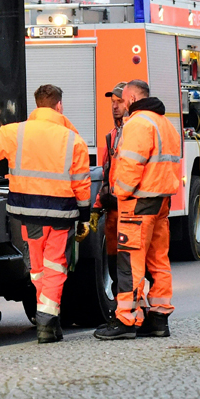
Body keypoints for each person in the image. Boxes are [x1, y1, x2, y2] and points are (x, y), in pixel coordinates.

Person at [0, 84, 90, 344]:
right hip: (60, 215)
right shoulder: (74, 140)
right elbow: (81, 183)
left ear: (36, 105)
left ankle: (48, 318)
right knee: (55, 267)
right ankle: (47, 321)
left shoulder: (15, 132)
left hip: (28, 213)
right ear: (59, 106)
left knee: (38, 267)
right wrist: (84, 215)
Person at [94, 79, 181, 340]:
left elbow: (131, 165)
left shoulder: (138, 124)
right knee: (158, 261)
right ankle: (158, 317)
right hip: (161, 202)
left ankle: (125, 319)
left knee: (129, 262)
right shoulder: (165, 124)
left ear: (131, 97)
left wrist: (117, 195)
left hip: (137, 204)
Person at [91, 81, 128, 293]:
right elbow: (107, 174)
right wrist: (97, 206)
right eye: (113, 102)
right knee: (115, 268)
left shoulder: (132, 133)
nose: (114, 106)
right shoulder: (112, 136)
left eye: (119, 101)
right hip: (113, 211)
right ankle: (122, 311)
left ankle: (131, 314)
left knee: (129, 268)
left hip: (129, 210)